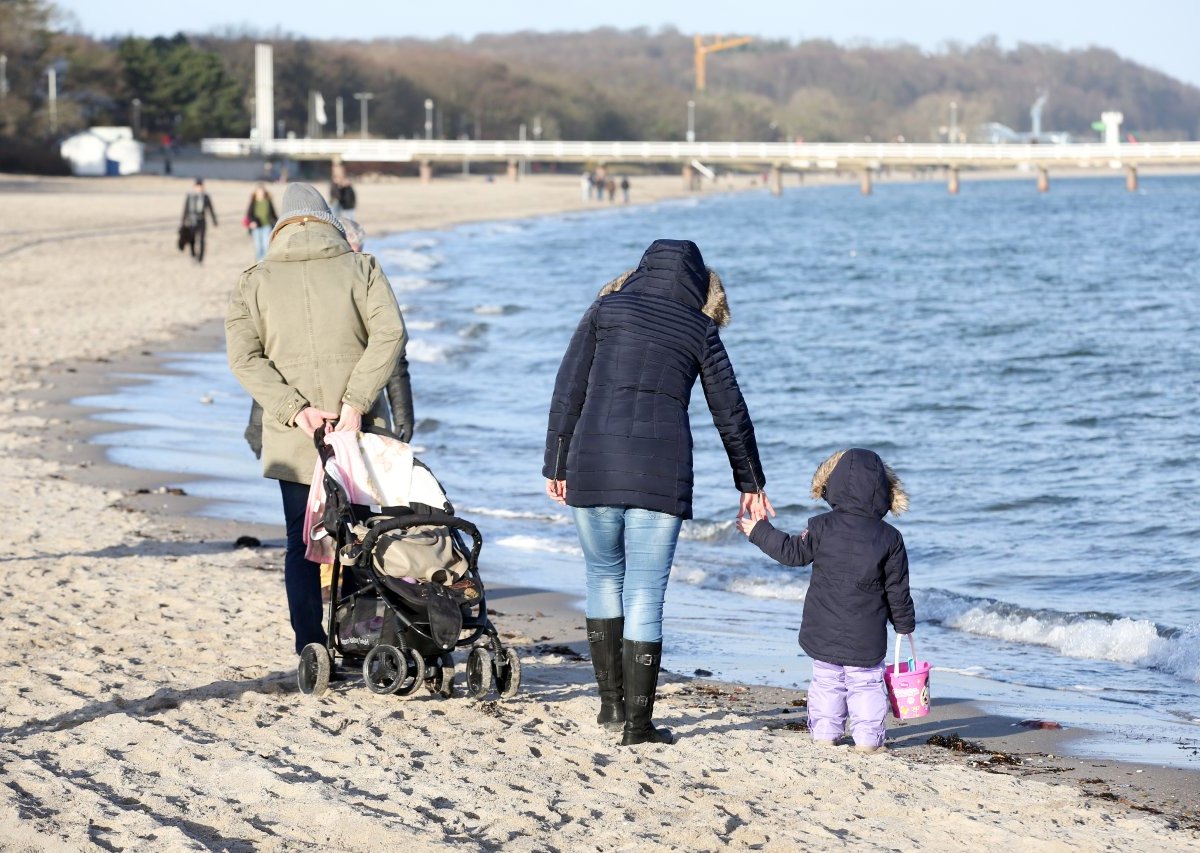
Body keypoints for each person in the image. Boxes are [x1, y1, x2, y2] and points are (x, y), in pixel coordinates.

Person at [543, 238, 771, 746]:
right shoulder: (699, 328)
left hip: (593, 464)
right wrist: (750, 482)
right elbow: (729, 410)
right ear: (696, 282)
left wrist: (555, 463)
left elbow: (568, 388)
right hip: (660, 472)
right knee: (645, 591)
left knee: (603, 576)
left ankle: (610, 708)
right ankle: (638, 726)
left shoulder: (605, 309)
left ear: (643, 269)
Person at [226, 183, 407, 656]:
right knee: (366, 537)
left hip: (295, 438)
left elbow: (244, 359)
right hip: (359, 431)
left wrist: (295, 411)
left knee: (300, 543)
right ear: (328, 219)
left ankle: (311, 646)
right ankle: (361, 637)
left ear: (282, 226)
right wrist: (356, 403)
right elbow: (391, 334)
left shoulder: (254, 279)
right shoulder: (361, 266)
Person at [736, 448, 915, 754]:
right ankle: (869, 740)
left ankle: (825, 734)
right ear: (885, 493)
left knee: (827, 680)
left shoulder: (821, 526)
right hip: (866, 633)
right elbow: (897, 589)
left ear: (833, 486)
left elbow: (791, 552)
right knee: (866, 683)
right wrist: (904, 625)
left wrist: (759, 530)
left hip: (823, 626)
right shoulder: (890, 537)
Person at [241, 216, 414, 459]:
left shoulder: (365, 278)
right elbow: (271, 361)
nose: (350, 259)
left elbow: (393, 353)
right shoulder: (301, 285)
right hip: (305, 423)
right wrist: (257, 425)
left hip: (359, 419)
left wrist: (403, 414)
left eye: (357, 252)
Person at [181, 178, 218, 263]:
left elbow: (210, 209)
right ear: (194, 187)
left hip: (202, 220)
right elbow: (185, 209)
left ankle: (200, 259)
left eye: (201, 186)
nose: (199, 188)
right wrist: (183, 221)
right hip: (192, 220)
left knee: (201, 240)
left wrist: (214, 221)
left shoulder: (206, 197)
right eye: (198, 186)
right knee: (192, 239)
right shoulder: (190, 196)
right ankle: (193, 255)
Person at [244, 182, 278, 262]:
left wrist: (278, 224)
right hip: (256, 228)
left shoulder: (268, 201)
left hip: (267, 226)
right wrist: (252, 222)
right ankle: (258, 265)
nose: (261, 193)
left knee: (266, 246)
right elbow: (249, 215)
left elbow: (273, 214)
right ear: (256, 193)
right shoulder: (253, 202)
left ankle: (264, 263)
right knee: (259, 247)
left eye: (262, 192)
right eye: (259, 192)